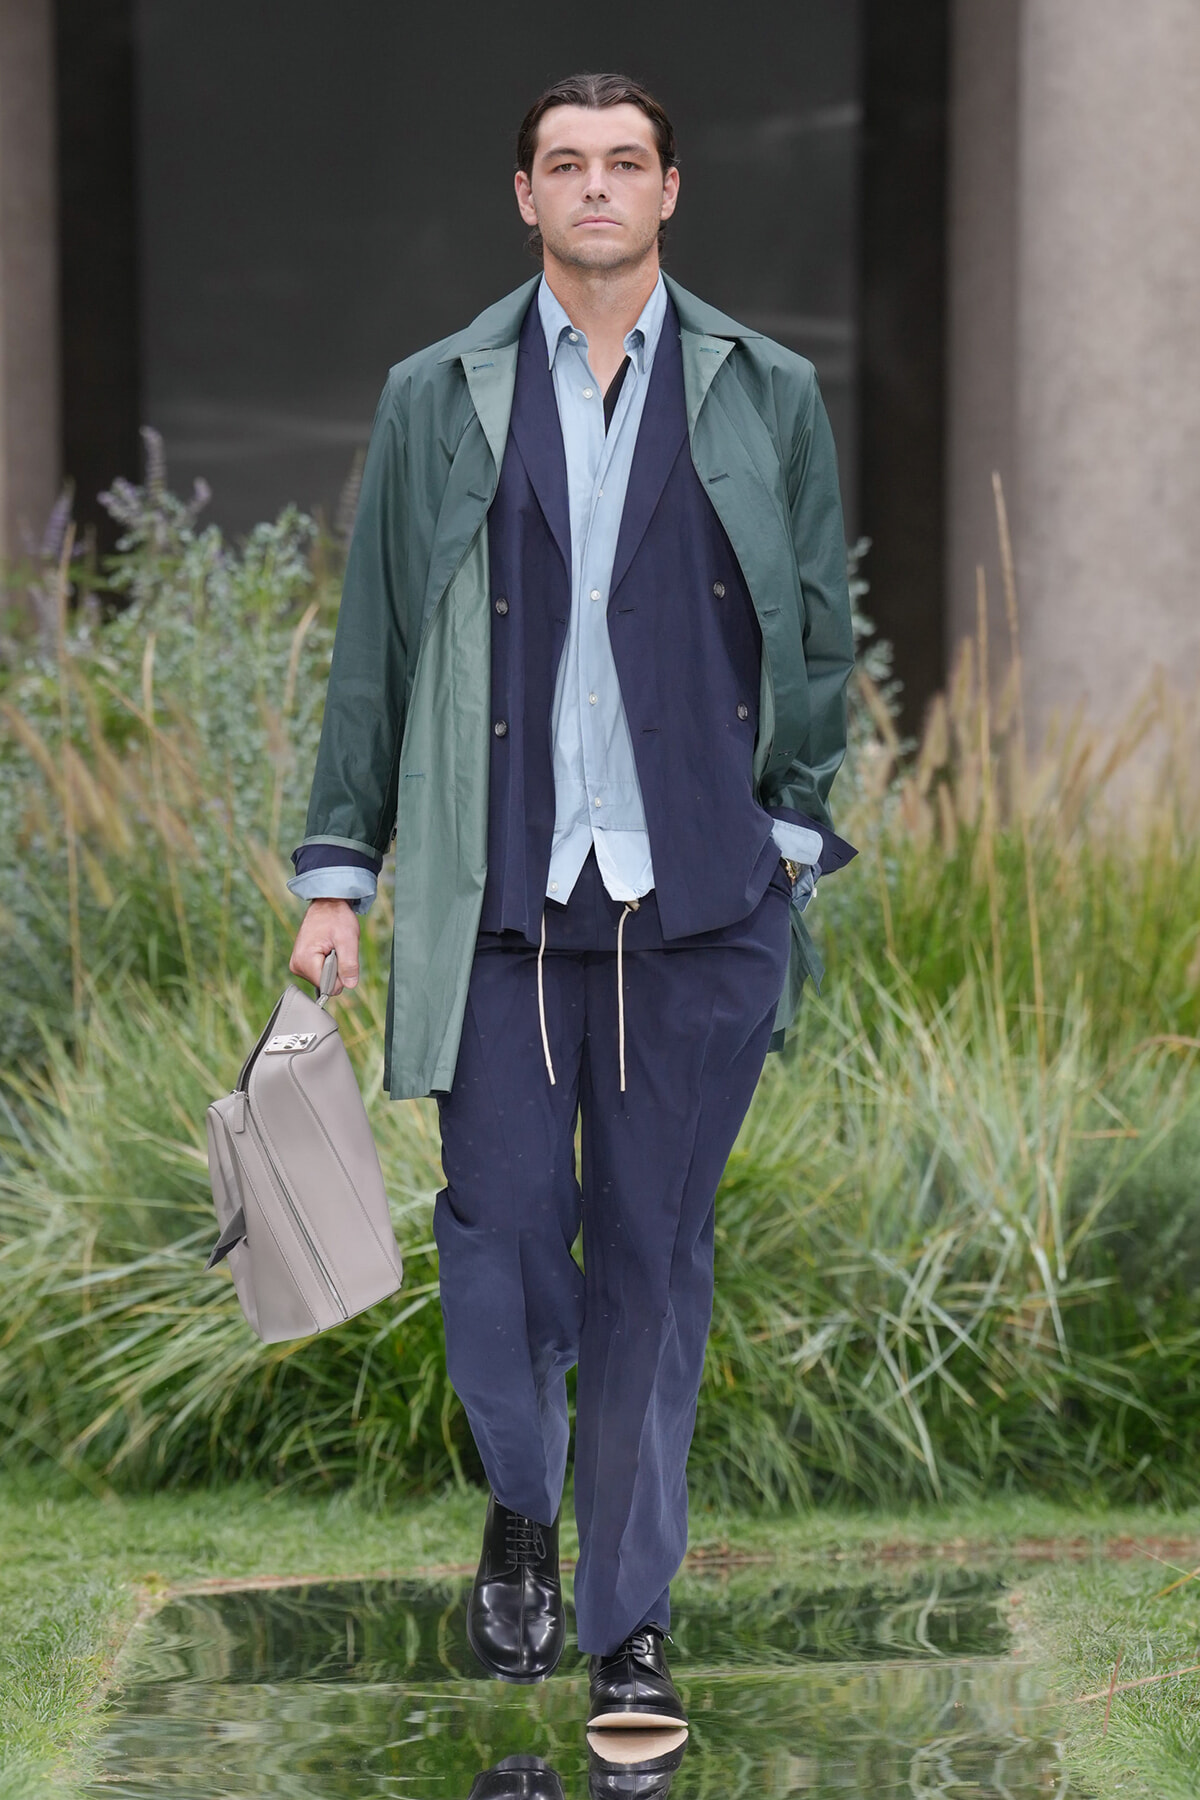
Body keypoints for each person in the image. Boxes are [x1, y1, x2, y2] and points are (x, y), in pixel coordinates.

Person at [287, 70, 855, 1735]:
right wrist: (341, 873)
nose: (596, 187)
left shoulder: (769, 392)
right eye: (565, 165)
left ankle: (632, 1626)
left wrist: (793, 837)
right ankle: (522, 1504)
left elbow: (815, 632)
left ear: (670, 191)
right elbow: (377, 650)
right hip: (504, 908)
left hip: (699, 911)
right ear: (522, 199)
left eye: (625, 163)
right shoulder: (433, 397)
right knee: (504, 1241)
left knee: (653, 1273)